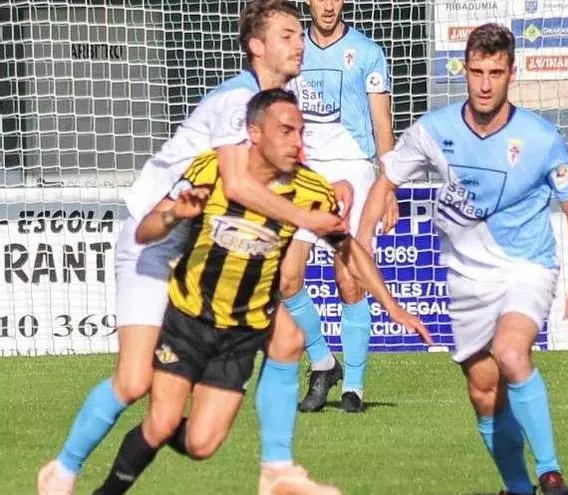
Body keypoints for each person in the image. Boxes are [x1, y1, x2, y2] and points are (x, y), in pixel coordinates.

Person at [37, 2, 351, 494]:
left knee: (286, 339)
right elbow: (239, 184)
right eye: (288, 35)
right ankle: (61, 471)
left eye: (299, 35)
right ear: (257, 45)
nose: (300, 43)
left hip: (204, 248)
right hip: (155, 239)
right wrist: (308, 218)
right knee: (133, 382)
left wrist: (333, 188)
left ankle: (277, 469)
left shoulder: (275, 102)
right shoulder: (236, 99)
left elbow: (285, 172)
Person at [91, 89, 430, 495]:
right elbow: (145, 231)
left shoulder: (312, 190)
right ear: (254, 133)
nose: (297, 142)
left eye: (301, 132)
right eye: (286, 131)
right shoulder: (212, 169)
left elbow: (349, 250)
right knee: (163, 421)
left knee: (201, 444)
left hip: (240, 336)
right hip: (189, 320)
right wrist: (174, 214)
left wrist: (393, 306)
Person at [357, 24, 568, 495]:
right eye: (477, 72)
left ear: (511, 74)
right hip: (466, 279)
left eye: (495, 73)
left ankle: (551, 476)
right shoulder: (434, 130)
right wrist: (361, 244)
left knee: (511, 352)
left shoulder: (541, 138)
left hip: (526, 266)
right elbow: (387, 181)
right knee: (484, 393)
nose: (485, 84)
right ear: (463, 70)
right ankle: (518, 488)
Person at [282, 0, 398, 414]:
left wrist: (388, 187)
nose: (328, 6)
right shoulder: (292, 50)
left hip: (355, 167)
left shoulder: (367, 52)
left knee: (348, 280)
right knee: (286, 278)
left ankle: (354, 386)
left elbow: (382, 124)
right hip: (307, 172)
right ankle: (323, 362)